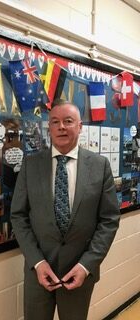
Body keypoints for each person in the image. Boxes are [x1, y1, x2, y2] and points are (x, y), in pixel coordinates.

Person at [11, 100, 120, 320]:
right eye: (55, 122)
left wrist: (86, 265)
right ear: (49, 128)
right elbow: (18, 216)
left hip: (79, 273)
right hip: (38, 271)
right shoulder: (31, 166)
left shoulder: (100, 166)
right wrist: (38, 262)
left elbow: (109, 220)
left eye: (68, 121)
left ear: (80, 126)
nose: (61, 126)